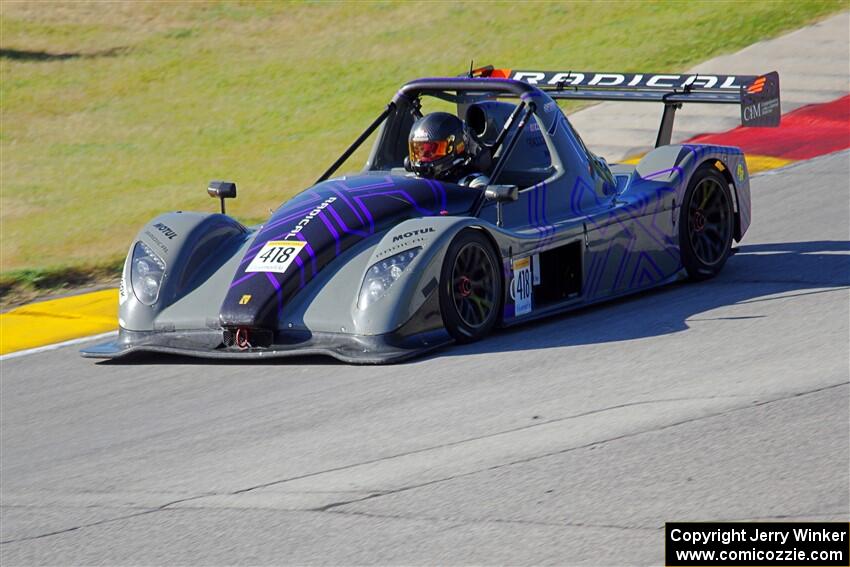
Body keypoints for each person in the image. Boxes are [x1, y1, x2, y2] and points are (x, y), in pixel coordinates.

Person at [406, 112, 490, 188]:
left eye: (432, 151)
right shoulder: (410, 181)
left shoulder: (473, 184)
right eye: (419, 151)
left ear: (456, 147)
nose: (423, 159)